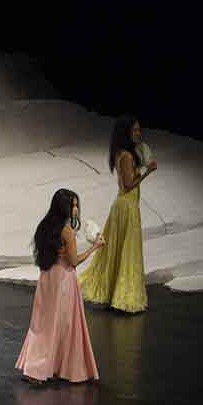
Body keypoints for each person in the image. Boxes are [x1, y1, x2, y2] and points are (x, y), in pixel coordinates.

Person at [17, 189, 103, 383]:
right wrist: (95, 247)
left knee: (43, 325)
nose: (76, 209)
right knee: (65, 325)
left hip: (47, 278)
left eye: (76, 205)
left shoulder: (44, 226)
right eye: (72, 205)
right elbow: (73, 261)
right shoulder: (67, 231)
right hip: (63, 281)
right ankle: (66, 368)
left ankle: (37, 368)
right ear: (63, 207)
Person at [79, 116, 157, 313]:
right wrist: (148, 172)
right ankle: (124, 296)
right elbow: (129, 185)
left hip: (125, 206)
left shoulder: (123, 154)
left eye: (139, 130)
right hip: (126, 207)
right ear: (126, 133)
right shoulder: (127, 156)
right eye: (135, 131)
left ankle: (117, 293)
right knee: (127, 250)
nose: (139, 134)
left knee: (120, 251)